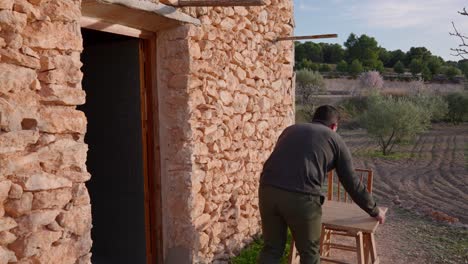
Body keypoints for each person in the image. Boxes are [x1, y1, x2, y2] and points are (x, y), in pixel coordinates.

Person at [257, 105, 385, 264]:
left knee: (272, 249)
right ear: (334, 126)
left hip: (267, 190)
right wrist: (374, 210)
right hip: (302, 198)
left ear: (314, 120)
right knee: (309, 254)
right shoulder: (334, 138)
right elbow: (351, 181)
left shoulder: (290, 130)